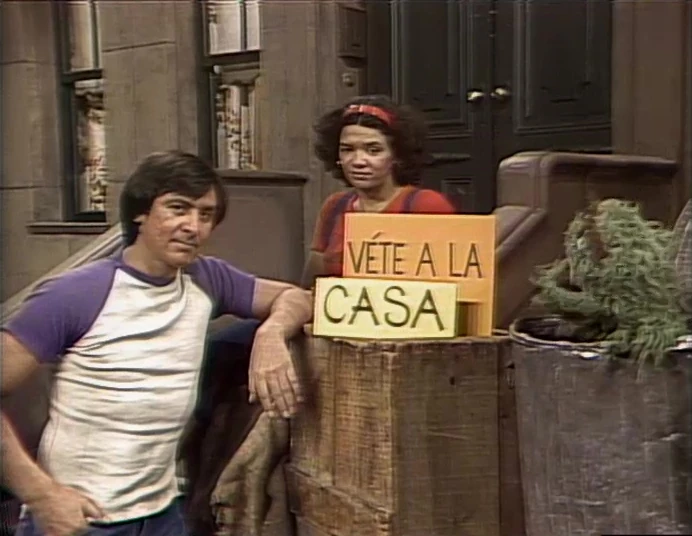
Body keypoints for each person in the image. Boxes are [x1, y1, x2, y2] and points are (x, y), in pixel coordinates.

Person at [0, 150, 313, 536]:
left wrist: (271, 333)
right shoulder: (77, 293)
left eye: (206, 215)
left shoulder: (206, 278)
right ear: (140, 213)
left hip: (162, 515)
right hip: (80, 520)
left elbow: (297, 298)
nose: (193, 226)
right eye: (178, 209)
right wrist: (42, 496)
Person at [212, 95, 456, 348]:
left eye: (373, 150)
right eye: (348, 150)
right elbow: (312, 284)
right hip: (332, 327)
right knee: (226, 344)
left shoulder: (425, 205)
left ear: (396, 156)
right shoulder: (335, 206)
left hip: (402, 333)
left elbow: (449, 289)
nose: (358, 161)